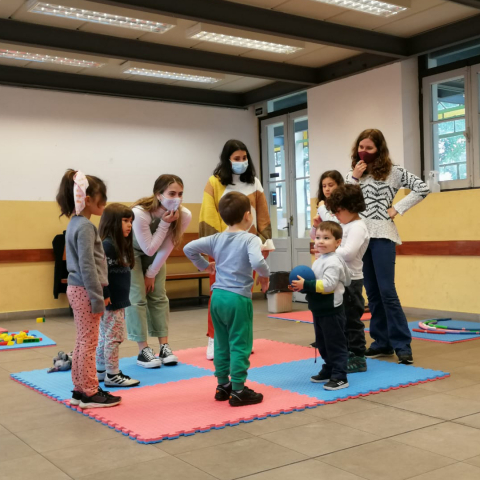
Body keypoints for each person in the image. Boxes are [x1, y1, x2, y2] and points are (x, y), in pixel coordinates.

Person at [347, 128, 429, 365]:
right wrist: (354, 176)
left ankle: (402, 345)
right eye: (361, 147)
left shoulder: (394, 172)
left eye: (369, 148)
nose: (364, 152)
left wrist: (397, 208)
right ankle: (381, 342)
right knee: (371, 294)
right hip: (360, 237)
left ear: (379, 150)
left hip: (383, 236)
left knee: (387, 292)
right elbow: (343, 200)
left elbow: (422, 187)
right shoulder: (354, 173)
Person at [184, 192, 270, 406]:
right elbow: (258, 261)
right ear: (248, 216)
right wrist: (266, 277)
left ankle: (223, 386)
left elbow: (188, 248)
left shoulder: (216, 238)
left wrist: (205, 266)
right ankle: (239, 389)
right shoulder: (250, 238)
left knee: (221, 342)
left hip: (217, 297)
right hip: (237, 299)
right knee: (240, 343)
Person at [199, 139, 272, 360]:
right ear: (227, 160)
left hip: (248, 245)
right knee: (218, 294)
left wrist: (264, 244)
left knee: (244, 295)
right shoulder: (215, 182)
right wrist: (212, 246)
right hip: (222, 248)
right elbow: (208, 214)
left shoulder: (255, 183)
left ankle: (242, 339)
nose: (241, 162)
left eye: (244, 158)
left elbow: (262, 213)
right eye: (236, 159)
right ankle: (214, 339)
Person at [56, 169, 121, 409]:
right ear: (87, 198)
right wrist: (98, 296)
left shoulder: (76, 223)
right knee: (89, 343)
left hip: (80, 289)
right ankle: (90, 392)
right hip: (85, 290)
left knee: (83, 341)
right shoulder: (84, 226)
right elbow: (87, 265)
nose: (104, 202)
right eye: (100, 197)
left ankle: (80, 390)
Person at [126, 174, 192, 368]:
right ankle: (143, 350)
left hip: (156, 253)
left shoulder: (184, 215)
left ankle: (164, 346)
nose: (176, 198)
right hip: (131, 252)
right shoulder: (140, 213)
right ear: (159, 194)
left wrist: (151, 274)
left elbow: (166, 247)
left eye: (180, 194)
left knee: (159, 296)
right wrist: (164, 223)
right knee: (137, 297)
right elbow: (148, 249)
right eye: (172, 193)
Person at [291, 221, 351, 391]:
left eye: (326, 238)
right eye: (318, 237)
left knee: (335, 343)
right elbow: (314, 283)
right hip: (319, 309)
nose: (320, 241)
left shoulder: (333, 262)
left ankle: (340, 375)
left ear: (338, 242)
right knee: (323, 343)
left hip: (331, 310)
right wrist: (301, 287)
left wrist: (307, 285)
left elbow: (328, 285)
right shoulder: (320, 260)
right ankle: (330, 368)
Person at [325, 185, 370, 373]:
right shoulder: (344, 225)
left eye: (338, 210)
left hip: (352, 281)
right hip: (340, 280)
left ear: (351, 207)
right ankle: (345, 352)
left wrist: (330, 249)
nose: (336, 215)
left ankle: (358, 356)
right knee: (340, 319)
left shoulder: (358, 226)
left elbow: (349, 253)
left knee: (352, 319)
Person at [96, 203, 140, 387]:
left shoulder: (118, 245)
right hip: (111, 301)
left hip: (117, 300)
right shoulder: (107, 246)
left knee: (105, 336)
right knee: (113, 337)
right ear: (112, 222)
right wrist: (105, 293)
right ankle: (112, 374)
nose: (129, 225)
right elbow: (99, 272)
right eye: (125, 221)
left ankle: (101, 370)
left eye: (131, 221)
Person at [309, 170, 344, 242]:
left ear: (339, 185)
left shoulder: (343, 204)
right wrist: (315, 226)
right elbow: (313, 237)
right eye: (324, 186)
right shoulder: (324, 204)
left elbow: (334, 225)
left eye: (330, 185)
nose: (327, 189)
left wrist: (321, 208)